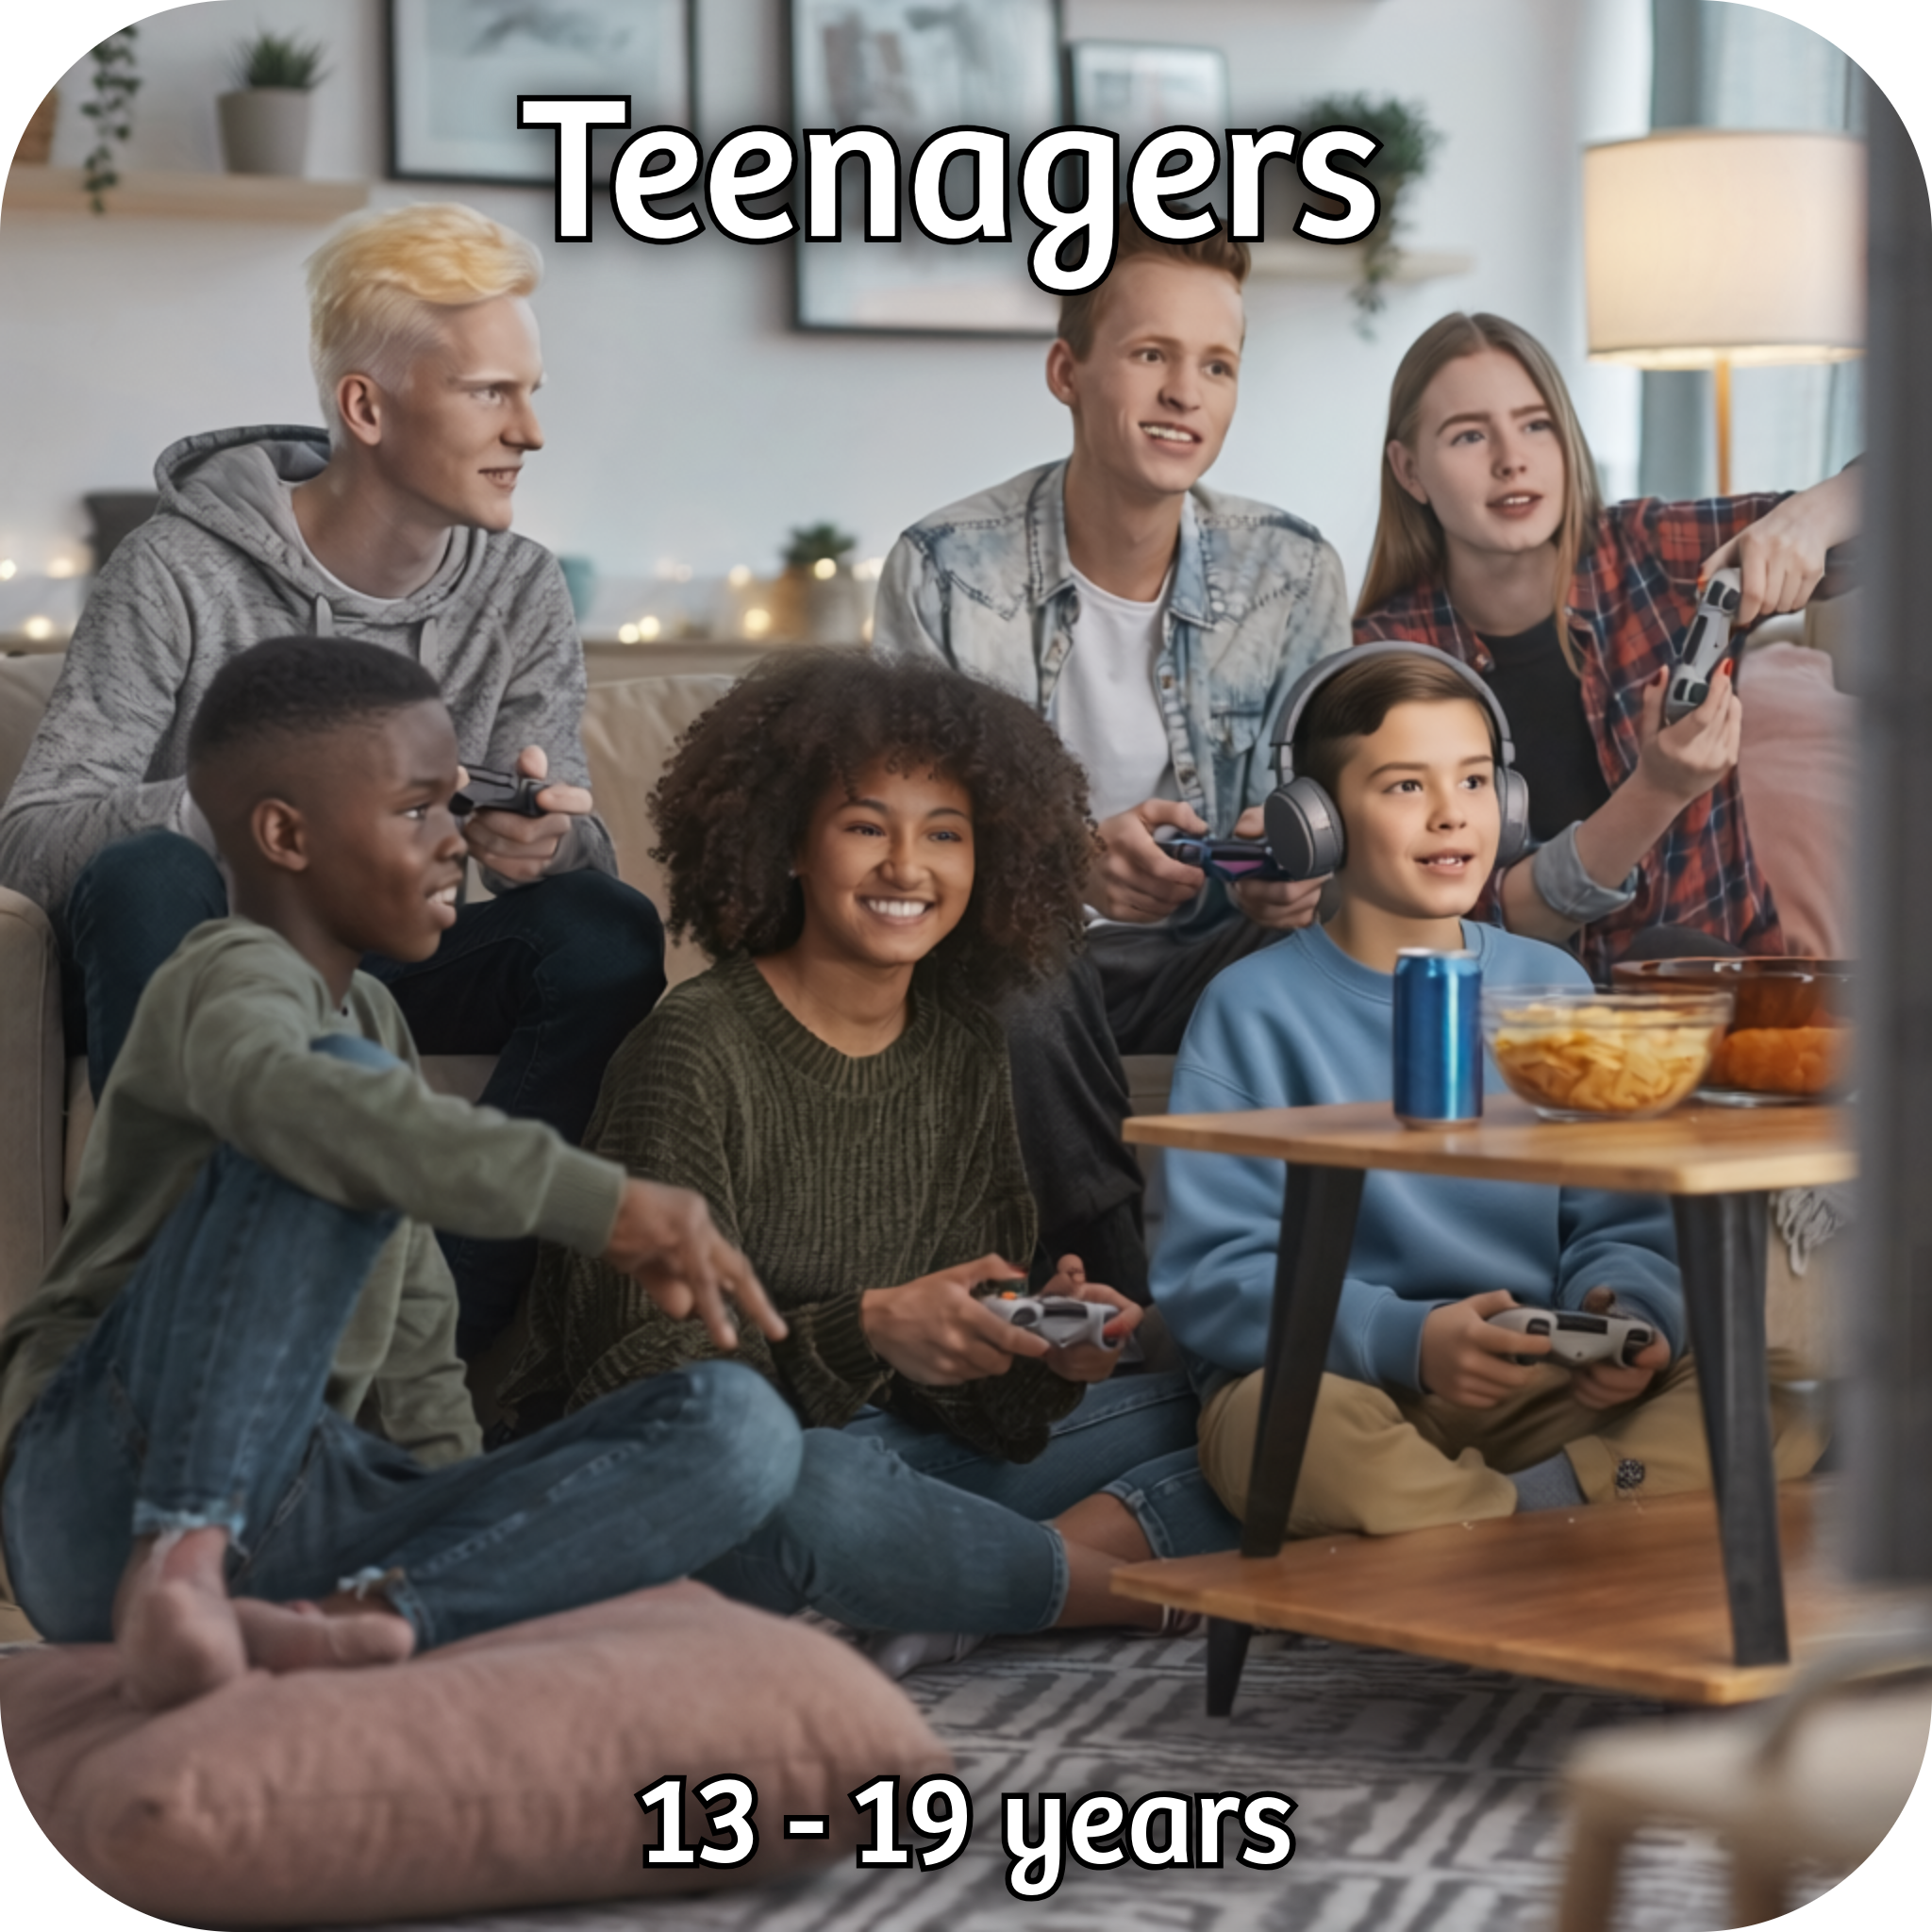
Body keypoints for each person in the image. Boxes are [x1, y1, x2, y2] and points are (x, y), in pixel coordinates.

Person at [0, 638, 798, 1712]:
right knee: (330, 1114)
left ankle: (380, 1620)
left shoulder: (370, 1022)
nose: (453, 848)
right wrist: (600, 1202)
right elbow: (305, 1107)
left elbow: (419, 1337)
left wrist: (453, 1504)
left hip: (302, 1507)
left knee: (739, 1428)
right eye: (416, 812)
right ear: (285, 834)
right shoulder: (222, 978)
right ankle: (178, 1561)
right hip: (105, 1475)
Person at [0, 202, 661, 1359]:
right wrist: (271, 800)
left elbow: (561, 838)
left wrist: (539, 848)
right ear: (366, 406)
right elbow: (37, 842)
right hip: (207, 963)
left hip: (400, 961)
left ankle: (424, 1346)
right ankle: (206, 1328)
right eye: (491, 394)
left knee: (601, 926)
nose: (532, 432)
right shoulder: (176, 569)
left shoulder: (520, 590)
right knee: (147, 871)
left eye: (531, 390)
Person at [499, 651, 1239, 1675]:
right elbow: (643, 1389)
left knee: (1250, 1410)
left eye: (944, 832)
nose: (906, 866)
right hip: (717, 1486)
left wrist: (1036, 1356)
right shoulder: (695, 1047)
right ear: (789, 845)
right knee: (821, 1487)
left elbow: (983, 1420)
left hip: (902, 1459)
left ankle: (943, 1584)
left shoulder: (960, 1045)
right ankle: (1093, 1587)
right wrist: (869, 1329)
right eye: (864, 826)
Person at [1152, 648, 1824, 1532]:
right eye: (1403, 787)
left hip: (1543, 1376)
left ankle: (1507, 1515)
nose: (1450, 817)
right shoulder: (1250, 1011)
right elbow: (1213, 1276)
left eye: (1474, 782)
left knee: (1779, 1402)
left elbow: (1617, 1215)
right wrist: (1411, 1342)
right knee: (1275, 1429)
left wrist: (1626, 1312)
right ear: (1314, 825)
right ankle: (1556, 1529)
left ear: (1507, 807)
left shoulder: (1554, 985)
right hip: (1352, 1377)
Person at [871, 213, 1350, 1304]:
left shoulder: (1290, 569)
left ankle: (1346, 1300)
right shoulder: (943, 567)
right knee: (1014, 956)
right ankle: (1117, 1292)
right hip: (1019, 962)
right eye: (1149, 355)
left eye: (1215, 365)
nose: (1185, 392)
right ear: (1066, 370)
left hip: (1209, 951)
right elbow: (900, 835)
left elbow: (1330, 798)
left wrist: (1292, 867)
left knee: (1346, 954)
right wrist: (1064, 863)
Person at [1354, 310, 1860, 982]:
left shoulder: (1644, 550)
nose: (1512, 459)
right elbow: (1476, 916)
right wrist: (1658, 790)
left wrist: (1814, 514)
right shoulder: (1391, 652)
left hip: (1712, 1002)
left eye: (1537, 425)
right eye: (1470, 435)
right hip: (1512, 1023)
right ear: (1409, 471)